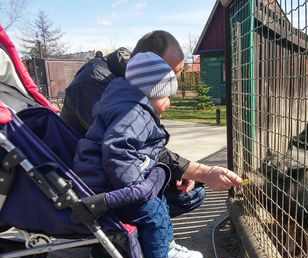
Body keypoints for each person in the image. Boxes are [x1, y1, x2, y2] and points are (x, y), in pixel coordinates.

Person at [61, 30, 242, 221]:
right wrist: (200, 172)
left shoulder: (132, 80)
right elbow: (126, 149)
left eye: (176, 76)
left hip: (117, 169)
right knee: (181, 196)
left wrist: (181, 171)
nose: (172, 88)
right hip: (89, 181)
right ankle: (123, 241)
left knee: (193, 191)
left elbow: (145, 143)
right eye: (168, 78)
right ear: (148, 65)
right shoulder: (98, 85)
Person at [74, 52, 203, 258]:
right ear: (152, 93)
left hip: (111, 179)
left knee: (160, 200)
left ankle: (166, 247)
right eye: (167, 97)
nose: (170, 103)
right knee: (152, 212)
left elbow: (139, 151)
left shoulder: (131, 106)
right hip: (107, 185)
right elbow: (117, 152)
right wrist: (135, 188)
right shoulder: (132, 113)